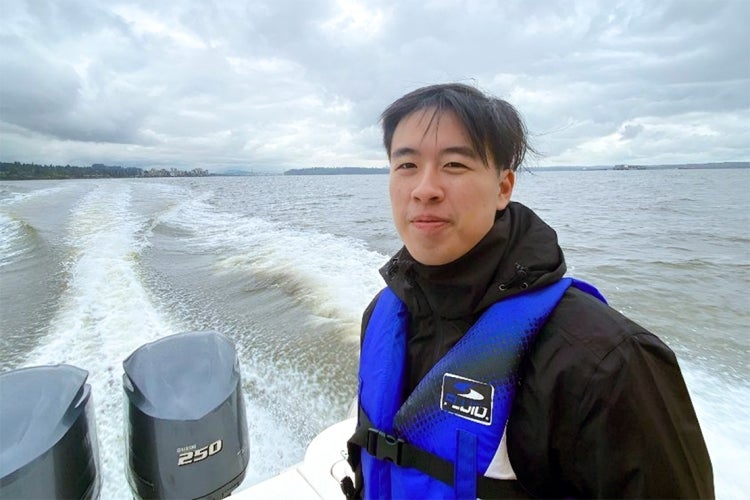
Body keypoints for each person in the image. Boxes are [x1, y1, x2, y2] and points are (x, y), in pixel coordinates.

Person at [343, 83, 713, 499]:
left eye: (454, 165)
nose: (424, 188)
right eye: (406, 165)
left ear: (503, 187)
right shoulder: (382, 314)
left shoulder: (603, 360)